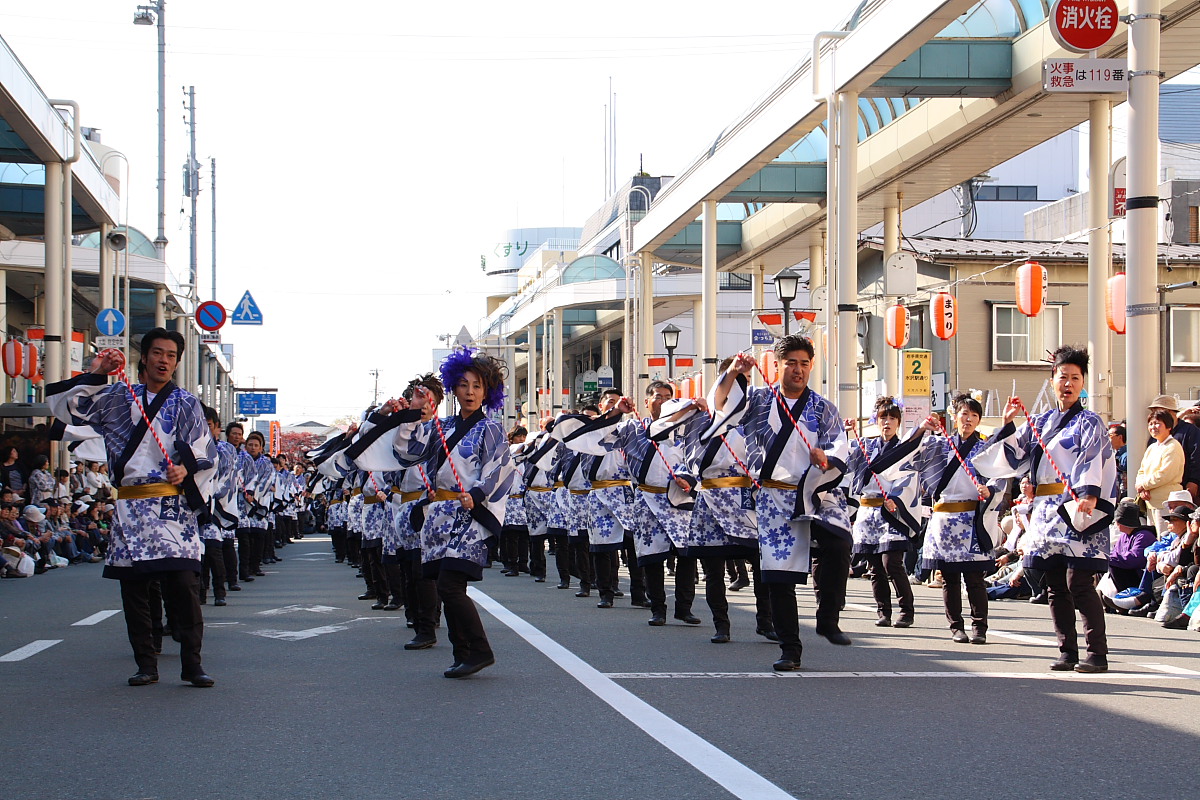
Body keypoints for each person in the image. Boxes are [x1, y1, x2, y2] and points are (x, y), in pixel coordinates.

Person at [45, 329, 217, 687]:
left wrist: (186, 468)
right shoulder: (117, 397)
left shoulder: (186, 403)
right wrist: (97, 372)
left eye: (171, 355)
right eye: (157, 352)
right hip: (132, 507)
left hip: (172, 507)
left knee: (183, 585)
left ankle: (192, 663)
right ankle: (146, 662)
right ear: (144, 356)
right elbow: (65, 407)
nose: (163, 360)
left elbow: (206, 453)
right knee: (135, 590)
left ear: (177, 361)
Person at [708, 336, 854, 671]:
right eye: (791, 363)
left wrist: (827, 457)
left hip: (816, 492)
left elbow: (839, 444)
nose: (798, 370)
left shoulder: (822, 407)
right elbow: (720, 405)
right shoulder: (759, 400)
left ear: (811, 366)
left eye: (804, 363)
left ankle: (828, 617)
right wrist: (733, 373)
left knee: (840, 542)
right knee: (778, 575)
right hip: (775, 495)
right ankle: (790, 648)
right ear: (777, 365)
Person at [974, 345, 1117, 673]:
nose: (1068, 383)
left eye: (1075, 378)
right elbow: (1013, 456)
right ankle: (1067, 651)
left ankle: (1097, 653)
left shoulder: (1090, 421)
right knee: (1053, 583)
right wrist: (1009, 425)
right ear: (1052, 381)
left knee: (1079, 582)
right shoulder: (1040, 421)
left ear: (1083, 384)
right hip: (1046, 508)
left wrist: (1089, 493)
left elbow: (1092, 459)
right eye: (1062, 377)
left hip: (1075, 503)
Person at [390, 349, 515, 678]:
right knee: (443, 583)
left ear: (487, 391)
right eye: (463, 385)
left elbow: (501, 469)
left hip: (471, 513)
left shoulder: (491, 429)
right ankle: (464, 653)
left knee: (449, 584)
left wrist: (476, 493)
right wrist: (413, 415)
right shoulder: (441, 427)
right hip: (441, 514)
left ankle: (480, 649)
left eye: (477, 385)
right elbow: (408, 451)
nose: (470, 392)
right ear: (454, 390)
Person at [908, 395, 1006, 644]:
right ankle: (956, 626)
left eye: (974, 415)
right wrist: (921, 429)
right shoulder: (939, 445)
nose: (969, 419)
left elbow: (1000, 474)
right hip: (944, 517)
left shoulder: (985, 447)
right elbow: (910, 454)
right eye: (965, 414)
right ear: (955, 416)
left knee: (974, 578)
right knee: (949, 577)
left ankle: (979, 626)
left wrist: (990, 490)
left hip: (972, 517)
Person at [846, 396, 920, 628]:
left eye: (891, 418)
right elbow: (848, 462)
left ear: (898, 422)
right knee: (875, 567)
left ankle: (906, 610)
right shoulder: (866, 445)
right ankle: (883, 611)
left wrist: (896, 498)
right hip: (868, 512)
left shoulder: (904, 449)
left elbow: (910, 476)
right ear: (876, 421)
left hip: (891, 511)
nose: (887, 422)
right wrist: (849, 433)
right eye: (883, 418)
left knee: (892, 563)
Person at [1135, 408, 1185, 533]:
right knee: (1153, 540)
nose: (1153, 427)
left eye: (1157, 423)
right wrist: (1141, 487)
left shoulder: (1173, 446)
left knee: (1164, 537)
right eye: (1151, 424)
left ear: (1168, 426)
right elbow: (1142, 471)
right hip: (1150, 502)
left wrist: (1144, 485)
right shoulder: (1152, 447)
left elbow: (1165, 474)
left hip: (1166, 502)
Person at [1147, 394, 1200, 502]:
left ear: (1171, 412)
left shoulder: (1190, 431)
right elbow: (1147, 465)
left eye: (1159, 410)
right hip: (1156, 494)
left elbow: (1196, 457)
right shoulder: (1154, 437)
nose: (1156, 414)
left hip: (1183, 489)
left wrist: (1194, 481)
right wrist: (1145, 486)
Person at [1108, 424, 1127, 498]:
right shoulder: (1112, 453)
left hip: (1123, 494)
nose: (1108, 438)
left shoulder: (1127, 455)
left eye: (1110, 435)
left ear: (1120, 437)